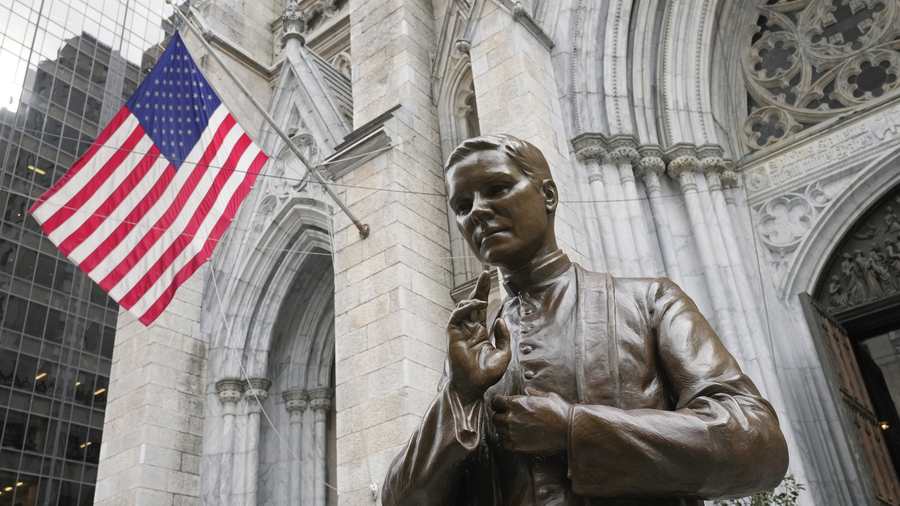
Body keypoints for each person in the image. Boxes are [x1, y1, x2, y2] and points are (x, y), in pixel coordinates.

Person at [382, 134, 789, 506]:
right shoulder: (476, 357)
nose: (478, 211)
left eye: (497, 188)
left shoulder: (649, 301)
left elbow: (757, 444)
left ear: (548, 195)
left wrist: (573, 430)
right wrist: (459, 393)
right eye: (462, 206)